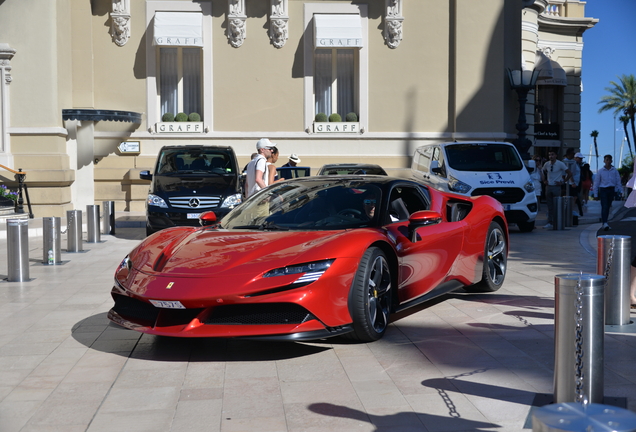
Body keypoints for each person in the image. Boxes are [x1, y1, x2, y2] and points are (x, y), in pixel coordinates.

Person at [542, 150, 572, 230]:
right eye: (549, 155)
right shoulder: (547, 164)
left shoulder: (560, 164)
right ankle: (550, 222)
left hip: (556, 186)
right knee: (549, 205)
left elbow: (569, 173)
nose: (551, 156)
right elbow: (543, 171)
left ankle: (556, 221)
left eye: (552, 154)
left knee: (556, 205)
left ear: (556, 155)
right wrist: (544, 180)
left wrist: (563, 182)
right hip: (549, 186)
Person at [592, 154, 622, 231]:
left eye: (609, 160)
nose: (608, 161)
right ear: (604, 161)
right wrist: (595, 194)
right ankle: (605, 222)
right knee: (604, 206)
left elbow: (618, 181)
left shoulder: (614, 171)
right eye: (606, 160)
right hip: (603, 189)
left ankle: (605, 221)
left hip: (611, 189)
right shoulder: (601, 171)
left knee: (608, 206)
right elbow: (596, 182)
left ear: (611, 161)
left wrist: (620, 190)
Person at [563, 148, 582, 216]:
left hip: (574, 183)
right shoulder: (566, 161)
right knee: (572, 197)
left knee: (574, 197)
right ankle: (569, 210)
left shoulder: (573, 162)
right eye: (573, 154)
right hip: (570, 183)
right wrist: (573, 182)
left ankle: (570, 210)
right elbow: (569, 173)